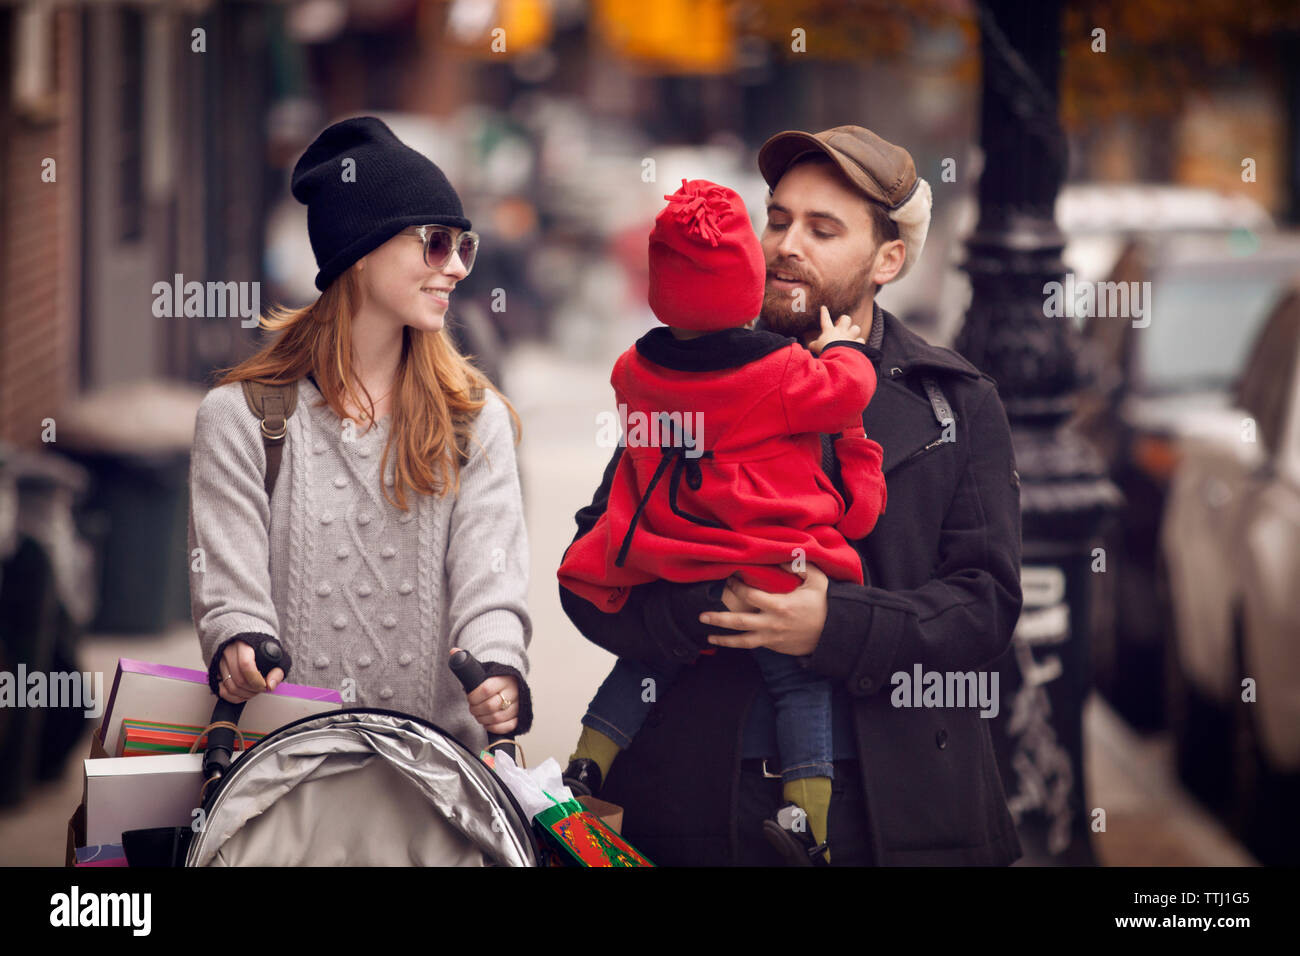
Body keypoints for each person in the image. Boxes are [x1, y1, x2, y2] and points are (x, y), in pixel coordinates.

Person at [559, 126, 1024, 866]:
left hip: (897, 816)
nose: (785, 244)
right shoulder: (692, 374)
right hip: (698, 810)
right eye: (777, 219)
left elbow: (986, 606)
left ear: (888, 259)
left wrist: (832, 624)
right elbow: (592, 577)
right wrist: (702, 605)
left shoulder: (954, 401)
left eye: (822, 228)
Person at [557, 179, 888, 864]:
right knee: (800, 684)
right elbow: (848, 389)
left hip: (673, 558)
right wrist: (845, 347)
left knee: (645, 665)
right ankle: (808, 822)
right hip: (769, 562)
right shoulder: (783, 370)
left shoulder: (634, 368)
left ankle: (588, 764)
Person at [188, 116, 533, 753]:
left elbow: (493, 585)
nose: (456, 267)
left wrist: (500, 668)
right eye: (435, 243)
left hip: (439, 781)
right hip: (283, 780)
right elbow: (230, 591)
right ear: (362, 249)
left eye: (465, 246)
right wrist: (238, 638)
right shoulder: (239, 419)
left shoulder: (474, 421)